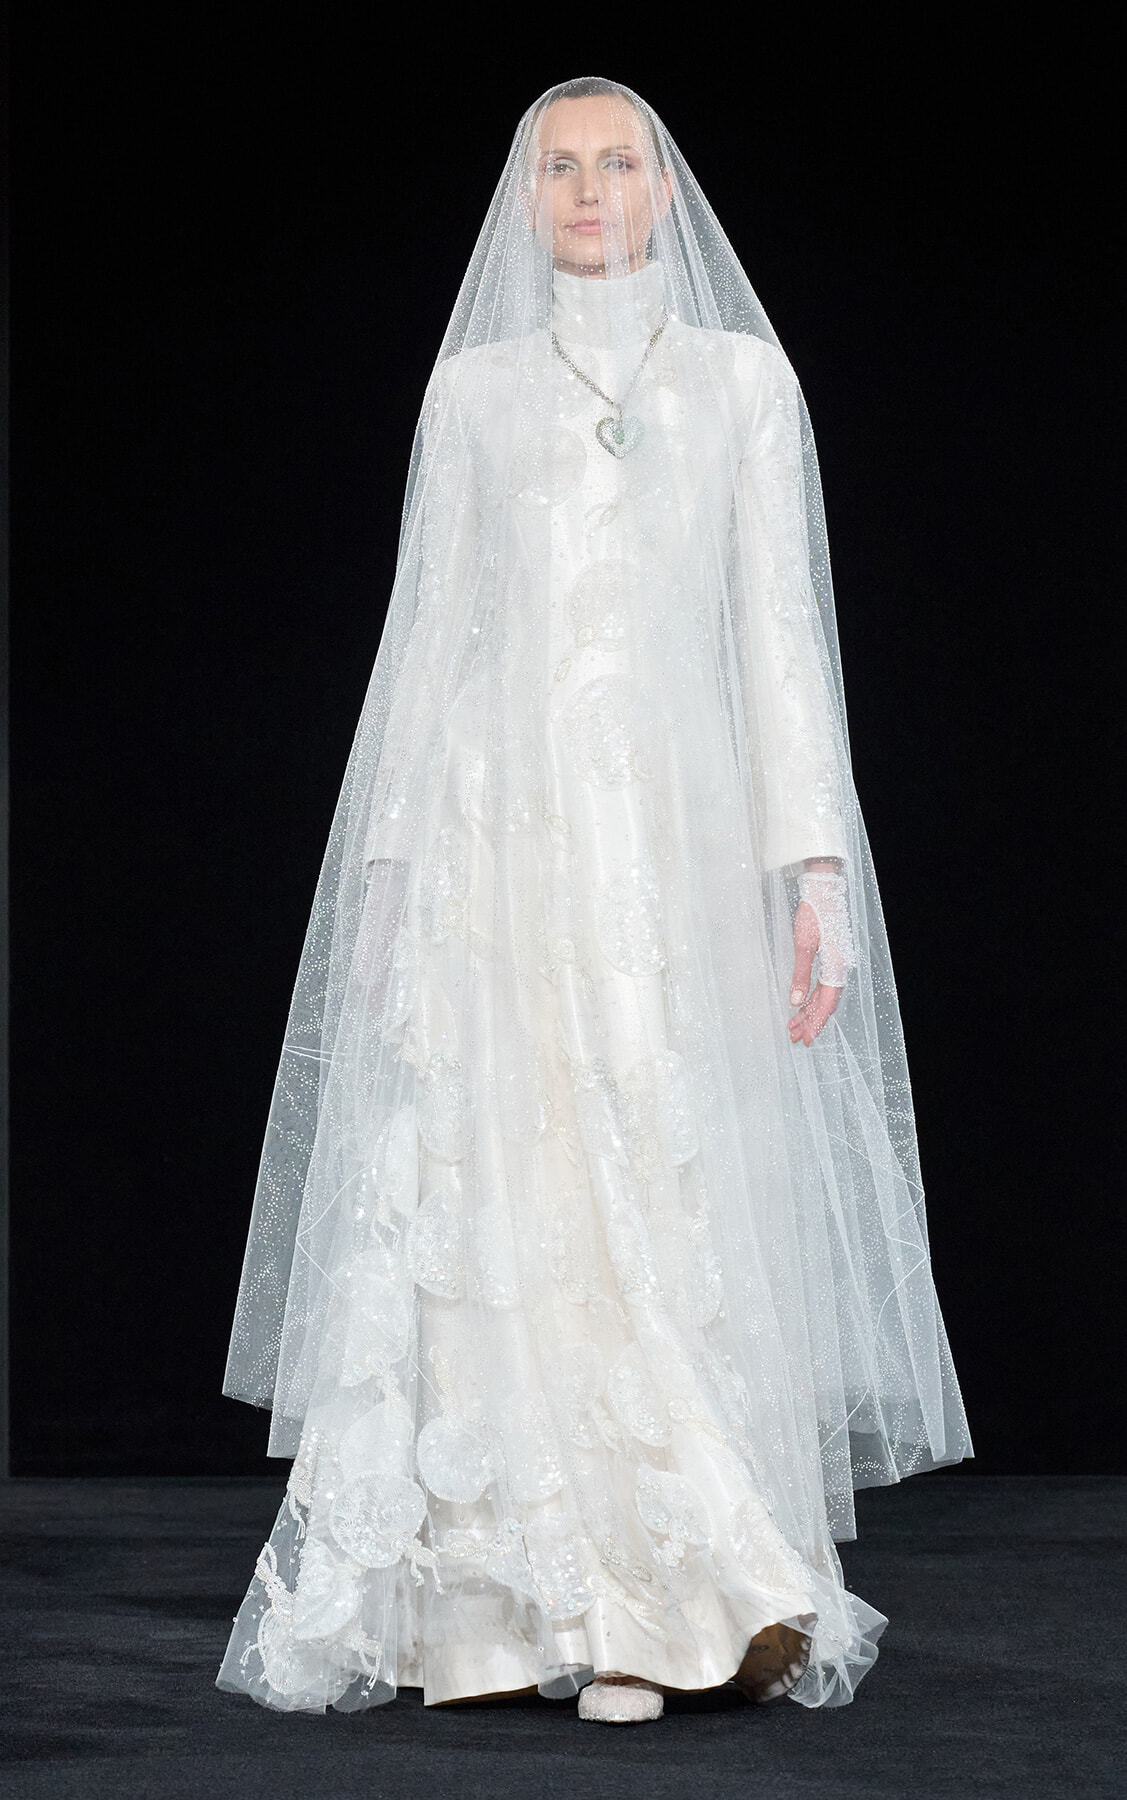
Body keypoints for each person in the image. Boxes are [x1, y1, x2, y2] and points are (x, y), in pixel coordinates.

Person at [217, 77, 971, 1726]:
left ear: (662, 187)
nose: (587, 188)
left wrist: (815, 873)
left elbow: (779, 632)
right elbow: (430, 637)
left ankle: (665, 1595)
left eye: (616, 161)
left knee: (656, 1158)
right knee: (508, 1175)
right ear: (526, 192)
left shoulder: (743, 386)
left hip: (677, 845)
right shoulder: (478, 391)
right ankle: (502, 1606)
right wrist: (396, 874)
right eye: (559, 165)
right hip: (502, 838)